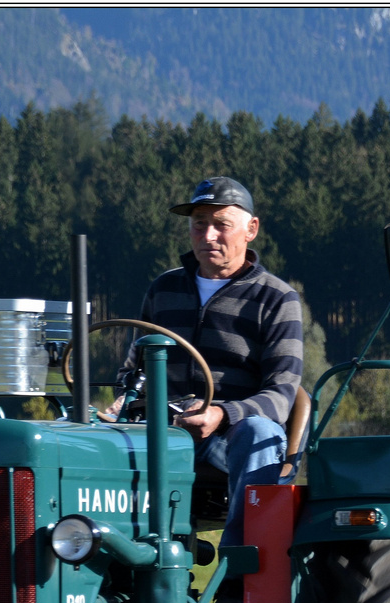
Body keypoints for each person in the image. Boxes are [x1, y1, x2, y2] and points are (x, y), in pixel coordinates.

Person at [108, 176, 304, 560]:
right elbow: (134, 371)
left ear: (251, 229)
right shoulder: (164, 290)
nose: (208, 235)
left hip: (228, 438)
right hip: (163, 430)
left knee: (259, 433)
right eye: (199, 224)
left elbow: (281, 395)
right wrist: (121, 402)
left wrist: (221, 414)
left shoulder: (276, 298)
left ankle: (241, 568)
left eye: (221, 225)